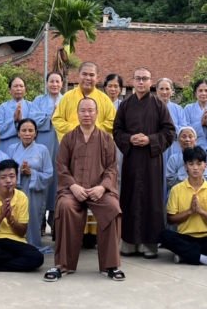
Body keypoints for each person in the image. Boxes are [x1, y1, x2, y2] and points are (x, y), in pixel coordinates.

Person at [45, 98, 124, 282]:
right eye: (83, 111)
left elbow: (112, 168)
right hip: (72, 190)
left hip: (100, 190)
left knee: (113, 208)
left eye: (90, 111)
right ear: (77, 113)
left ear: (97, 114)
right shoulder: (68, 138)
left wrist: (103, 187)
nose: (87, 114)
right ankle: (63, 265)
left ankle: (110, 265)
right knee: (65, 206)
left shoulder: (106, 139)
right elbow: (61, 166)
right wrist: (73, 186)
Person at [113, 68, 176, 259]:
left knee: (152, 200)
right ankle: (129, 243)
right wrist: (130, 139)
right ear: (133, 81)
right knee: (129, 198)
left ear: (151, 82)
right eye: (138, 79)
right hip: (131, 160)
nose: (141, 82)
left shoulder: (158, 105)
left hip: (151, 161)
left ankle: (149, 244)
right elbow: (116, 131)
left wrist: (150, 140)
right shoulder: (125, 105)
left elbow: (169, 132)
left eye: (145, 79)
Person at [160, 146, 207, 268]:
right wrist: (189, 212)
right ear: (185, 166)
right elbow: (170, 220)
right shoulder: (176, 189)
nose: (195, 167)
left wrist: (200, 211)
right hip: (185, 237)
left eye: (199, 164)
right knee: (164, 235)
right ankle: (203, 258)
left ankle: (185, 254)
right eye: (191, 163)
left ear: (205, 166)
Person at [0, 159, 44, 274]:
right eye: (3, 177)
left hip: (16, 241)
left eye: (12, 176)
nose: (8, 181)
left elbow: (22, 232)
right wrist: (1, 216)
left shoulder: (22, 197)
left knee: (37, 258)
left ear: (17, 179)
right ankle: (16, 261)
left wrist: (10, 219)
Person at [6, 118, 53, 250]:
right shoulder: (12, 149)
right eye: (24, 130)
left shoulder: (42, 150)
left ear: (36, 133)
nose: (27, 133)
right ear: (18, 133)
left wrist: (31, 172)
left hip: (35, 192)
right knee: (14, 217)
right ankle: (15, 245)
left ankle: (32, 245)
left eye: (30, 130)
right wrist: (18, 172)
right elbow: (5, 171)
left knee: (32, 218)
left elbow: (49, 174)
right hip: (16, 190)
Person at [51, 62, 116, 140]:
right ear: (79, 75)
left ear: (97, 78)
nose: (88, 78)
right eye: (84, 74)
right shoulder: (67, 97)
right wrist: (75, 130)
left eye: (91, 75)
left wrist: (93, 130)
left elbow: (112, 122)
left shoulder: (105, 100)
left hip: (96, 145)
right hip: (72, 143)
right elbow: (57, 119)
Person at [32, 71, 63, 231]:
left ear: (62, 84)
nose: (54, 84)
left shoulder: (67, 100)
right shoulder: (38, 100)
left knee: (59, 177)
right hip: (43, 142)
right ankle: (40, 221)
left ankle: (55, 220)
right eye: (51, 81)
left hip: (61, 142)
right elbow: (33, 120)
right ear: (46, 83)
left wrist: (58, 117)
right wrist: (50, 116)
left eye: (57, 81)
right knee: (43, 175)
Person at [166, 126, 207, 196]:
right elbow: (170, 181)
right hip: (178, 195)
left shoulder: (201, 156)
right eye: (184, 137)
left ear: (195, 140)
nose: (187, 140)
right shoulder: (173, 159)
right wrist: (184, 171)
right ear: (178, 140)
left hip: (198, 194)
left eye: (190, 137)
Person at [0, 76, 38, 152]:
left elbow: (35, 128)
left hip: (27, 146)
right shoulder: (3, 107)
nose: (19, 89)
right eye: (15, 86)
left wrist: (21, 119)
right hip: (6, 145)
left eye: (21, 86)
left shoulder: (32, 106)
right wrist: (14, 120)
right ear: (9, 90)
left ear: (25, 89)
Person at [155, 77, 186, 165]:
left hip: (174, 147)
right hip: (156, 146)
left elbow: (183, 130)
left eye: (167, 89)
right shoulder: (151, 108)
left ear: (172, 91)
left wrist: (170, 126)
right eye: (161, 89)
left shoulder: (178, 109)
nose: (164, 92)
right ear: (157, 91)